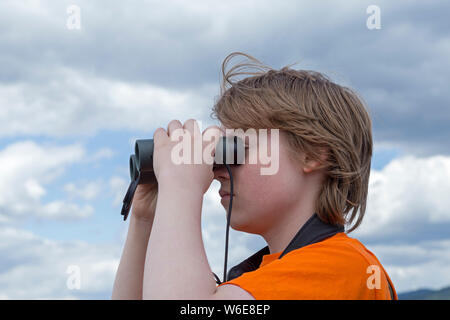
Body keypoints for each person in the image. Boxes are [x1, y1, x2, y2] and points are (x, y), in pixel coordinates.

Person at [111, 52, 397, 300]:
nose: (219, 169)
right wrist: (146, 219)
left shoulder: (342, 267)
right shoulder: (269, 274)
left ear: (311, 154)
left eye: (237, 148)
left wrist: (180, 188)